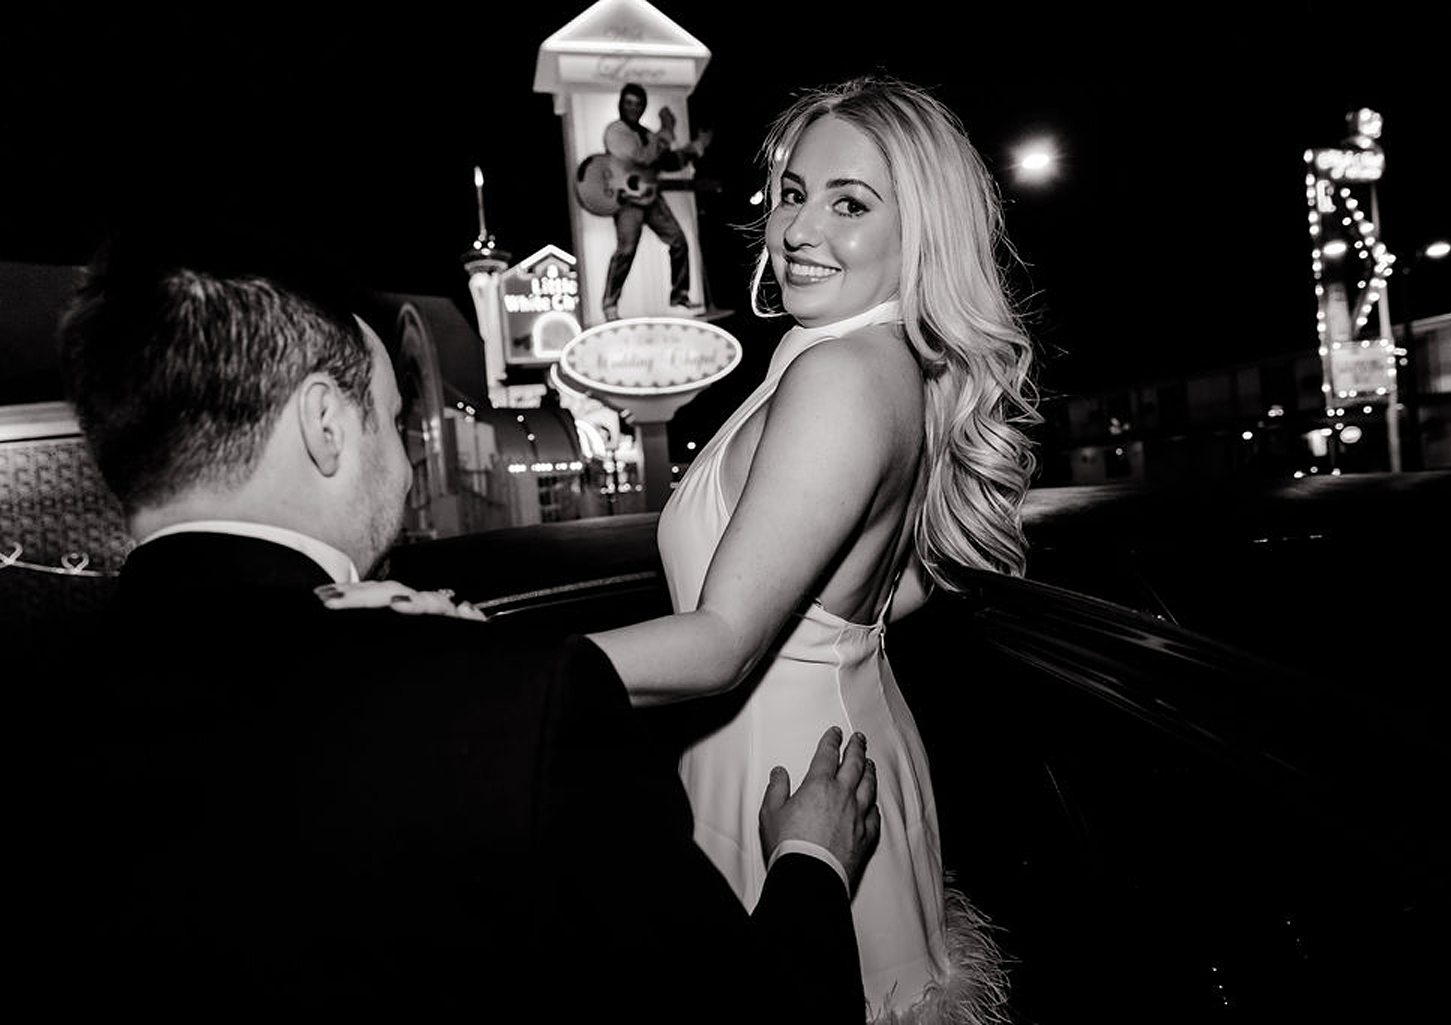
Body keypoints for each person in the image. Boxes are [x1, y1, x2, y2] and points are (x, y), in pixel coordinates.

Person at [27, 226, 878, 1020]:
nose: (402, 472)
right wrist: (812, 862)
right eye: (391, 422)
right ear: (326, 425)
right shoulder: (511, 707)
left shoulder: (44, 709)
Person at [584, 76, 1040, 1022]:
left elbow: (721, 639)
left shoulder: (839, 371)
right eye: (793, 192)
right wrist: (838, 633)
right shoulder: (849, 351)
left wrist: (501, 677)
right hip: (810, 757)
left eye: (850, 204)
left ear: (922, 231)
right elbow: (901, 577)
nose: (799, 229)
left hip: (797, 782)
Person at [599, 82, 707, 321]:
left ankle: (679, 294)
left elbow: (667, 162)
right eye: (628, 103)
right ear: (621, 105)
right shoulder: (615, 132)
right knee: (626, 250)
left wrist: (697, 147)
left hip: (650, 197)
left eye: (638, 104)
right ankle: (610, 303)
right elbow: (643, 157)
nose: (633, 108)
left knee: (678, 241)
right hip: (628, 200)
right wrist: (667, 130)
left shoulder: (647, 134)